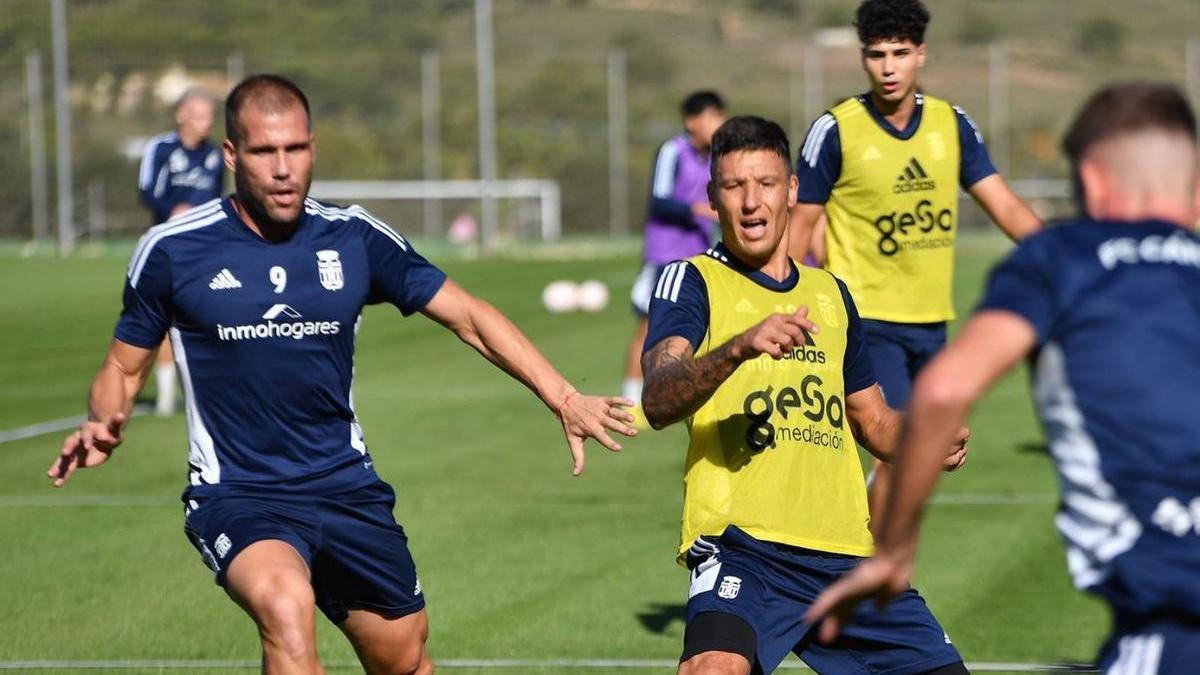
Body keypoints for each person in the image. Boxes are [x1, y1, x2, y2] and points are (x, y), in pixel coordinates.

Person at [49, 74, 636, 675]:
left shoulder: (353, 237)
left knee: (404, 655)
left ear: (312, 148)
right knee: (285, 606)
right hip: (239, 492)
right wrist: (105, 420)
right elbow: (123, 366)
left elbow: (469, 316)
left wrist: (562, 396)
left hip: (344, 486)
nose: (283, 168)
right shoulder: (173, 250)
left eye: (295, 149)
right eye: (264, 151)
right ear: (231, 155)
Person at [806, 82, 1200, 674]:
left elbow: (942, 392)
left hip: (1172, 624)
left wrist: (894, 551)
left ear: (1092, 182)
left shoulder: (1062, 260)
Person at [641, 115, 968, 675]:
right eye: (734, 186)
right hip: (744, 548)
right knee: (713, 670)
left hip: (845, 554)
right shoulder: (691, 280)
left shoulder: (832, 296)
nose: (751, 202)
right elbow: (658, 396)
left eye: (765, 183)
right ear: (713, 199)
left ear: (791, 190)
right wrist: (737, 348)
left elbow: (871, 421)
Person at [788, 0, 1042, 529]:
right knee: (896, 451)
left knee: (927, 458)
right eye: (876, 54)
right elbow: (799, 230)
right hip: (867, 320)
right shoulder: (836, 130)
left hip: (931, 323)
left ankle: (859, 565)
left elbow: (1007, 207)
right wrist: (784, 309)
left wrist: (1070, 263)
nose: (887, 67)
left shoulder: (951, 126)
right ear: (863, 58)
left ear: (920, 54)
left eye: (899, 53)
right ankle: (872, 589)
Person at [624, 90, 726, 417]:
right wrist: (698, 209)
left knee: (702, 329)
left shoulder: (716, 157)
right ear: (691, 121)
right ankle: (631, 404)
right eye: (712, 117)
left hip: (699, 258)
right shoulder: (673, 151)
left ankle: (688, 397)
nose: (718, 124)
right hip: (664, 256)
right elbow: (659, 199)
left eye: (720, 118)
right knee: (648, 328)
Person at [137, 89, 225, 416]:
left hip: (205, 249)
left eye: (209, 116)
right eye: (199, 115)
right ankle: (164, 396)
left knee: (207, 314)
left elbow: (218, 199)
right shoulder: (161, 149)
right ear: (181, 115)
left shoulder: (214, 155)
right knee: (163, 319)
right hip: (168, 247)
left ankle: (204, 391)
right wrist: (172, 211)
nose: (205, 123)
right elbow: (146, 190)